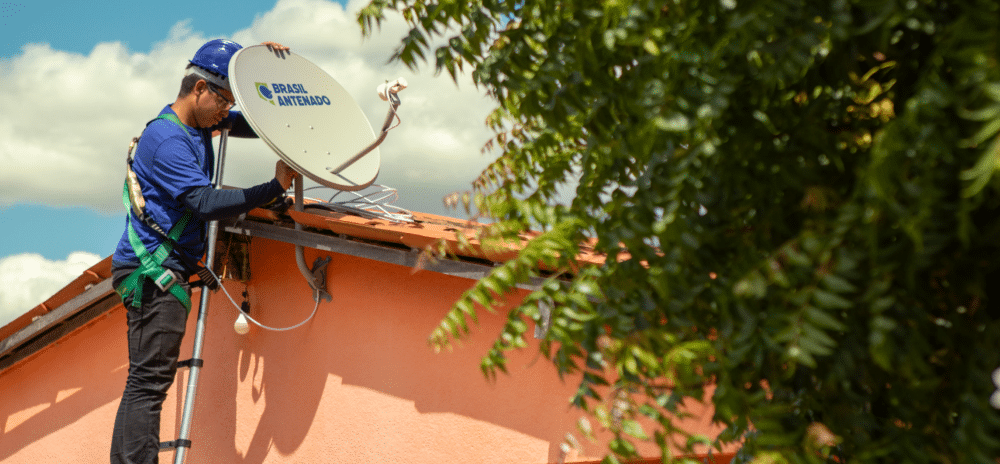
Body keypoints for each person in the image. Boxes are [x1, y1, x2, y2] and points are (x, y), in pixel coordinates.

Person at [109, 39, 296, 464]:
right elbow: (205, 203)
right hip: (153, 272)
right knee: (149, 382)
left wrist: (265, 73)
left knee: (144, 381)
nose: (225, 111)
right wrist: (272, 188)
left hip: (160, 268)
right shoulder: (168, 141)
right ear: (198, 89)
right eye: (222, 100)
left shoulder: (198, 125)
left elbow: (248, 123)